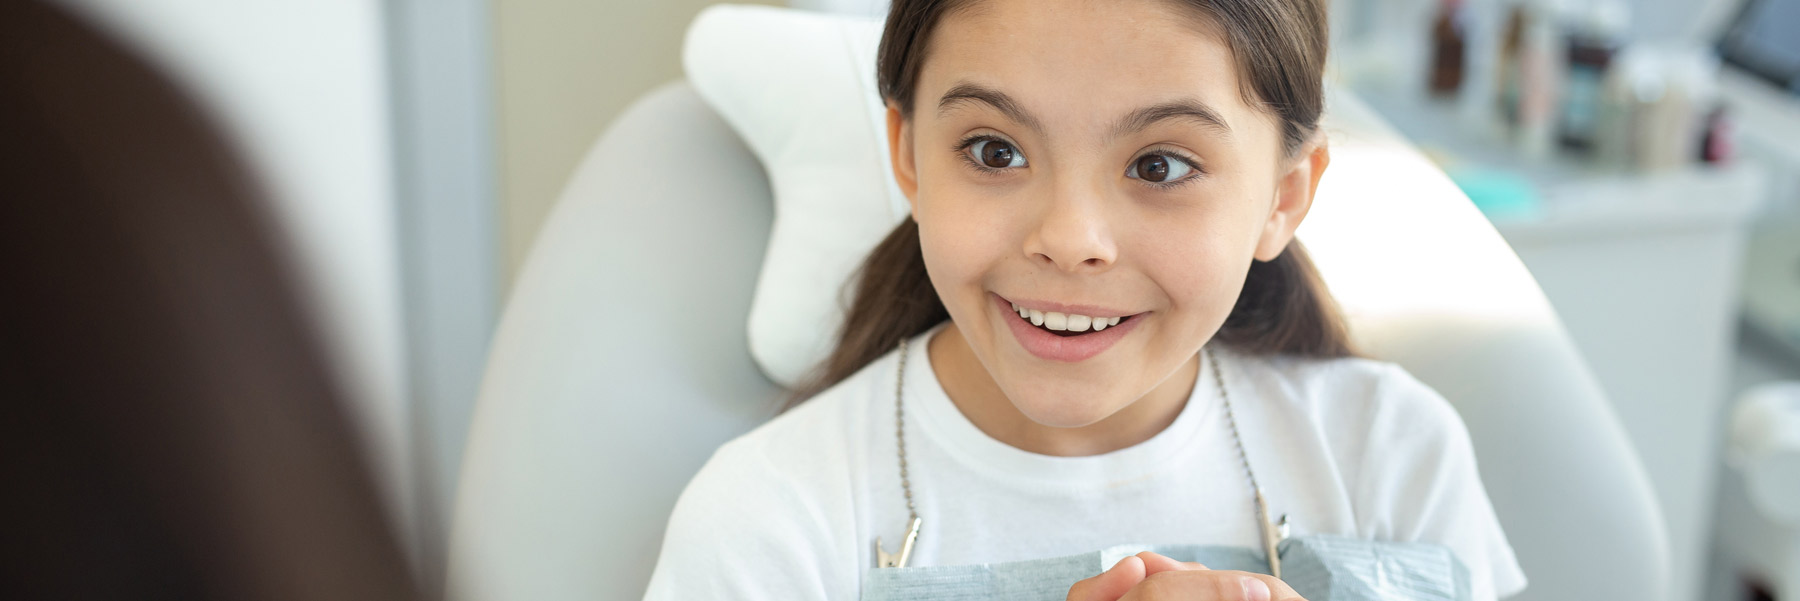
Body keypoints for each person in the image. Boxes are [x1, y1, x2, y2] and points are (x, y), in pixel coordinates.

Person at [642, 0, 1526, 599]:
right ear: (909, 155)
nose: (1070, 237)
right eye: (995, 151)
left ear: (1284, 197)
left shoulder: (1391, 456)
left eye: (1159, 166)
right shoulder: (770, 522)